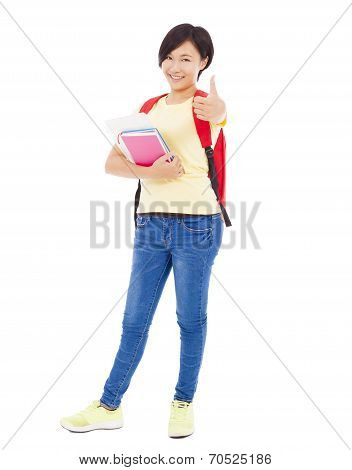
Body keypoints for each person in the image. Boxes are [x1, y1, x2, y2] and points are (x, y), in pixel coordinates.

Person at [60, 23, 228, 438]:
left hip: (197, 225)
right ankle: (109, 405)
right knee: (134, 320)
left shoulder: (207, 107)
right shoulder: (150, 106)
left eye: (186, 58)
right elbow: (112, 163)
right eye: (170, 57)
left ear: (203, 62)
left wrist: (219, 108)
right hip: (152, 224)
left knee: (190, 320)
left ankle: (183, 401)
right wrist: (149, 170)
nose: (175, 65)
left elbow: (221, 115)